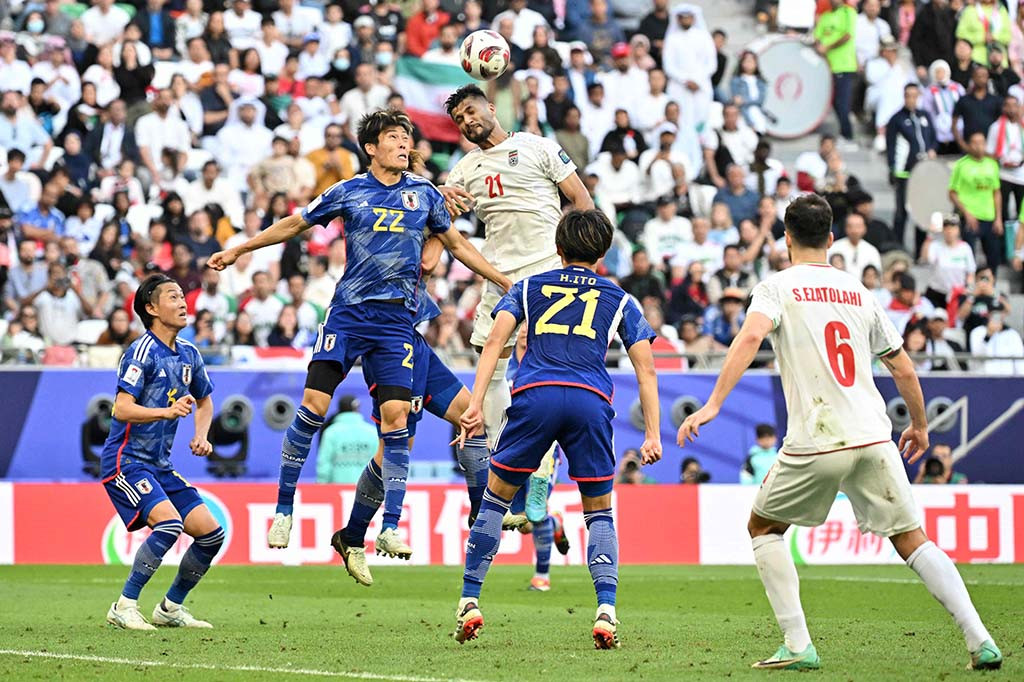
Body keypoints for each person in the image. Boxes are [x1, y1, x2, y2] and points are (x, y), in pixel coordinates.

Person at [677, 194, 1002, 672]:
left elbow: (750, 337)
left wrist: (713, 404)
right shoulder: (859, 292)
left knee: (763, 527)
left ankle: (797, 644)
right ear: (831, 238)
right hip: (873, 435)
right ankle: (981, 640)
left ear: (786, 239)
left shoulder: (776, 287)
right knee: (912, 538)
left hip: (819, 436)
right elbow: (902, 367)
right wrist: (919, 425)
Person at [208, 109, 510, 561]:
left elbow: (458, 246)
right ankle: (284, 509)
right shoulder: (348, 191)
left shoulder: (424, 194)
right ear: (371, 148)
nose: (403, 145)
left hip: (395, 323)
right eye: (394, 138)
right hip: (348, 315)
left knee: (396, 419)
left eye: (406, 138)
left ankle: (389, 527)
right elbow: (295, 223)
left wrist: (502, 280)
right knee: (314, 405)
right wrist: (240, 248)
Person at [452, 209, 661, 649]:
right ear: (603, 253)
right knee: (598, 512)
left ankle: (469, 601)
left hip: (537, 396)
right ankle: (606, 612)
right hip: (589, 400)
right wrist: (653, 434)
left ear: (558, 248)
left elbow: (495, 341)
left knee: (495, 500)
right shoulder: (620, 298)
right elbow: (646, 370)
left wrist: (474, 405)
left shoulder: (528, 287)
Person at [442, 84, 593, 498]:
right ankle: (509, 459)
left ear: (491, 107)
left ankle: (543, 461)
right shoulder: (464, 170)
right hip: (499, 277)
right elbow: (443, 225)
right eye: (459, 119)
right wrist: (438, 195)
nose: (467, 121)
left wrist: (583, 263)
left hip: (547, 267)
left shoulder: (538, 147)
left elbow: (581, 200)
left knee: (539, 361)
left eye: (471, 111)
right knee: (489, 368)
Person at [101, 274, 221, 631]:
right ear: (151, 309)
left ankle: (170, 608)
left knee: (210, 534)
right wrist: (166, 412)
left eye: (182, 296)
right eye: (173, 297)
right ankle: (124, 606)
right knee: (169, 525)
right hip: (126, 462)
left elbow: (205, 401)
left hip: (159, 465)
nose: (183, 303)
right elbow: (122, 408)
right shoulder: (141, 352)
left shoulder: (189, 354)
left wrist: (201, 435)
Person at [887, 83, 937, 252]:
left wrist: (932, 149)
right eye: (908, 96)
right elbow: (891, 146)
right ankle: (897, 247)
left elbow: (933, 138)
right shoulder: (896, 119)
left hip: (923, 172)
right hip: (905, 173)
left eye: (914, 96)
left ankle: (919, 251)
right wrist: (892, 169)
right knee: (902, 212)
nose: (911, 99)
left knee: (921, 212)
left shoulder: (925, 116)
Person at [948, 131, 1003, 270]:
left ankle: (991, 281)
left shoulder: (992, 164)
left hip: (989, 216)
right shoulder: (961, 165)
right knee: (969, 256)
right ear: (969, 145)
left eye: (982, 143)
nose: (979, 146)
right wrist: (966, 213)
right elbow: (952, 193)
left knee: (993, 257)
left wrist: (998, 218)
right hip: (970, 218)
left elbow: (996, 192)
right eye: (975, 143)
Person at [814, 0, 858, 147]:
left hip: (844, 66)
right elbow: (817, 37)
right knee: (834, 103)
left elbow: (848, 35)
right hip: (827, 67)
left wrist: (827, 47)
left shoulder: (848, 12)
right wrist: (819, 45)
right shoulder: (825, 16)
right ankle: (844, 134)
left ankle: (848, 136)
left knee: (842, 103)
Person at [316, 395, 378, 484]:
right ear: (357, 409)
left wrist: (321, 485)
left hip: (337, 490)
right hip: (366, 489)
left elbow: (324, 464)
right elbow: (378, 464)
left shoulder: (331, 432)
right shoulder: (372, 432)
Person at [921, 214, 976, 310]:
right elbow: (925, 258)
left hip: (957, 294)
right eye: (946, 228)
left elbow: (970, 273)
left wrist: (969, 292)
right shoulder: (936, 246)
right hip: (937, 292)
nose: (949, 231)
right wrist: (930, 235)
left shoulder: (965, 248)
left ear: (958, 230)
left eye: (953, 228)